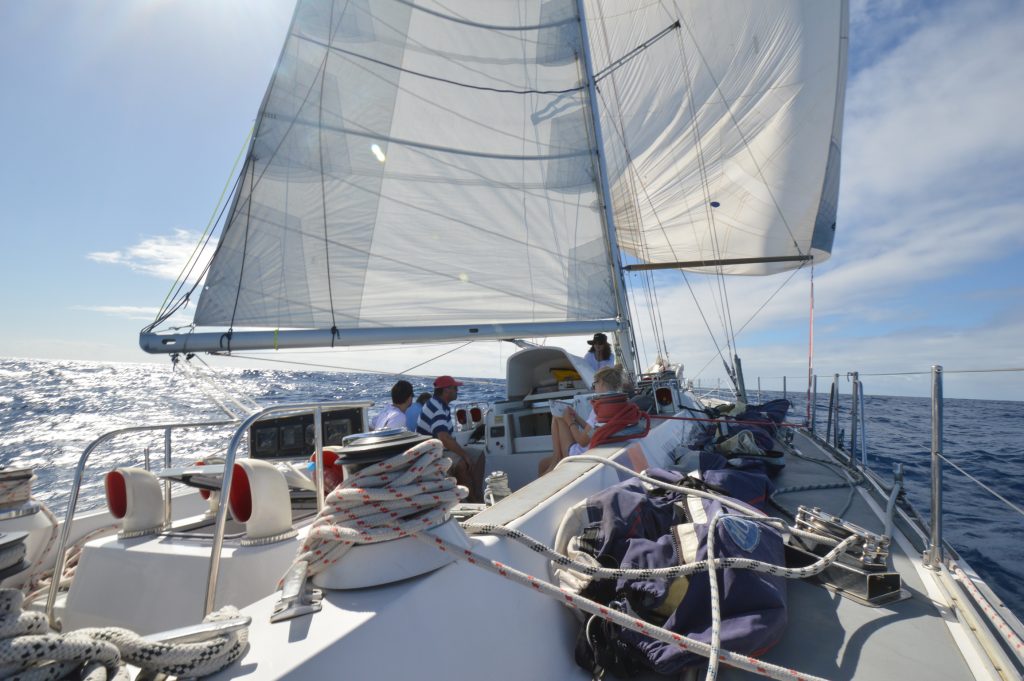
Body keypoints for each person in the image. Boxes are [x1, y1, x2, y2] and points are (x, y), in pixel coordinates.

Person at [538, 366, 624, 476]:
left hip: (579, 454)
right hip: (594, 448)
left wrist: (569, 421)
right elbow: (593, 431)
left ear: (601, 382)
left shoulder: (600, 409)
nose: (594, 387)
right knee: (542, 464)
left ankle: (557, 456)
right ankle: (557, 457)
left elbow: (582, 441)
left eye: (595, 384)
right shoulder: (613, 404)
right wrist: (577, 418)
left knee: (557, 416)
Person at [416, 376, 486, 502]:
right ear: (446, 390)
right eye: (455, 388)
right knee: (461, 464)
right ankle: (472, 501)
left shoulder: (440, 405)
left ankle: (477, 494)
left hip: (441, 449)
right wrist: (464, 455)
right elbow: (444, 438)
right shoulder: (436, 408)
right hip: (432, 454)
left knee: (479, 455)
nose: (457, 390)